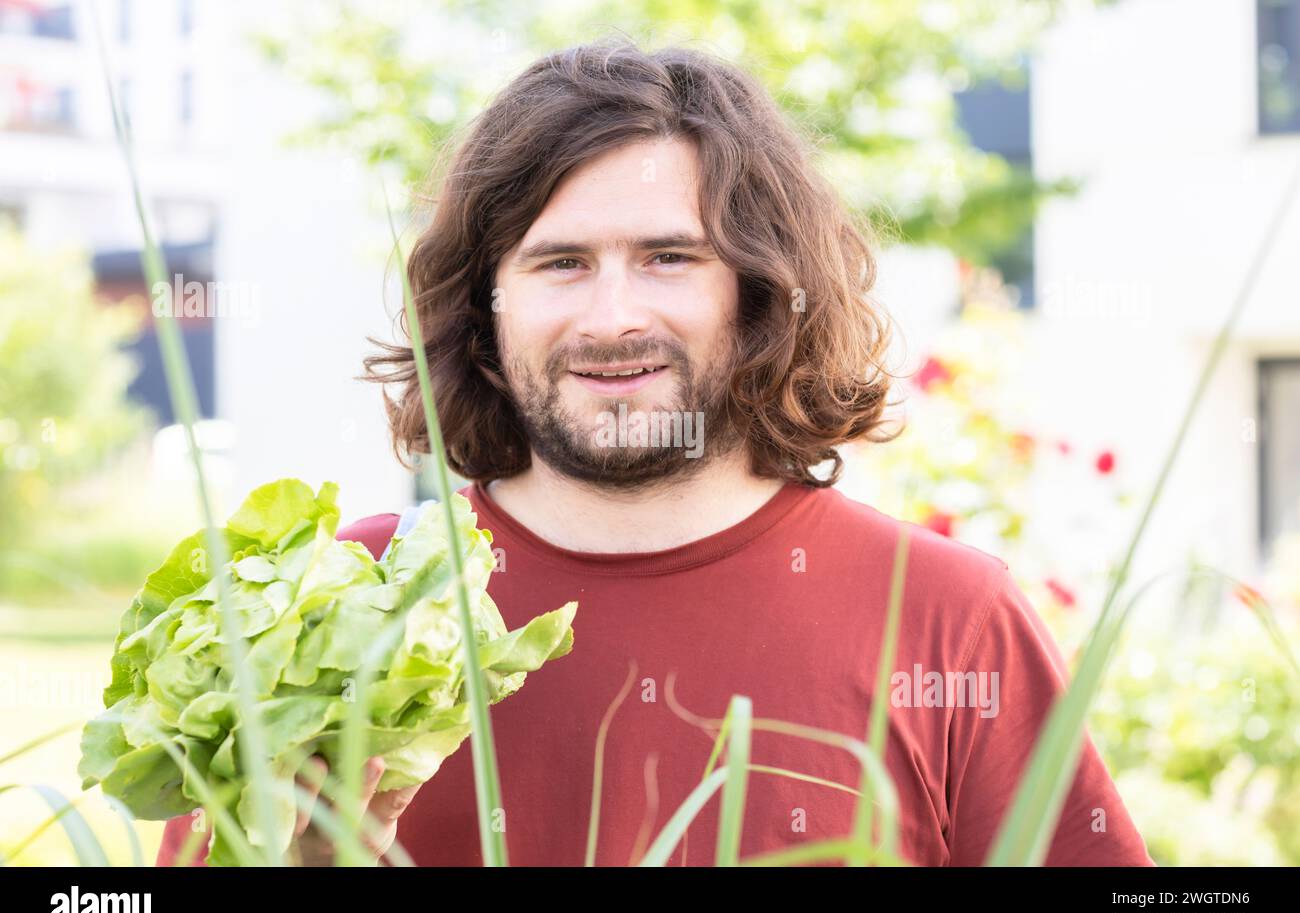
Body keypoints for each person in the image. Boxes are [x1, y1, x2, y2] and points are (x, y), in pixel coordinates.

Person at [156, 40, 1154, 867]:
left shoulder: (944, 615)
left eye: (668, 257)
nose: (613, 316)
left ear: (760, 292)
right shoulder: (336, 607)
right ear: (485, 302)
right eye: (561, 262)